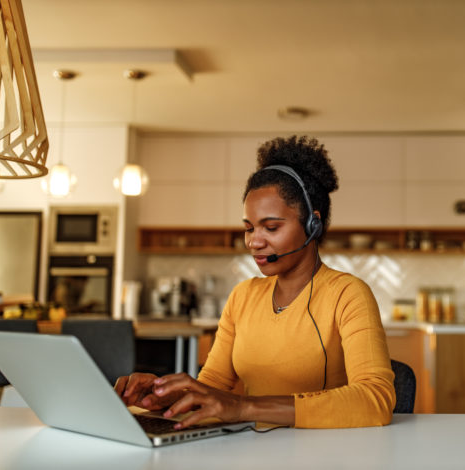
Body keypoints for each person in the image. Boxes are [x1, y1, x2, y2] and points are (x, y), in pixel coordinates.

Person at [115, 135, 396, 429]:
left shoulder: (348, 294)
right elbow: (213, 386)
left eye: (271, 227)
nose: (254, 242)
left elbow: (375, 400)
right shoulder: (243, 296)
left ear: (312, 225)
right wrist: (165, 397)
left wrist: (243, 407)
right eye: (249, 228)